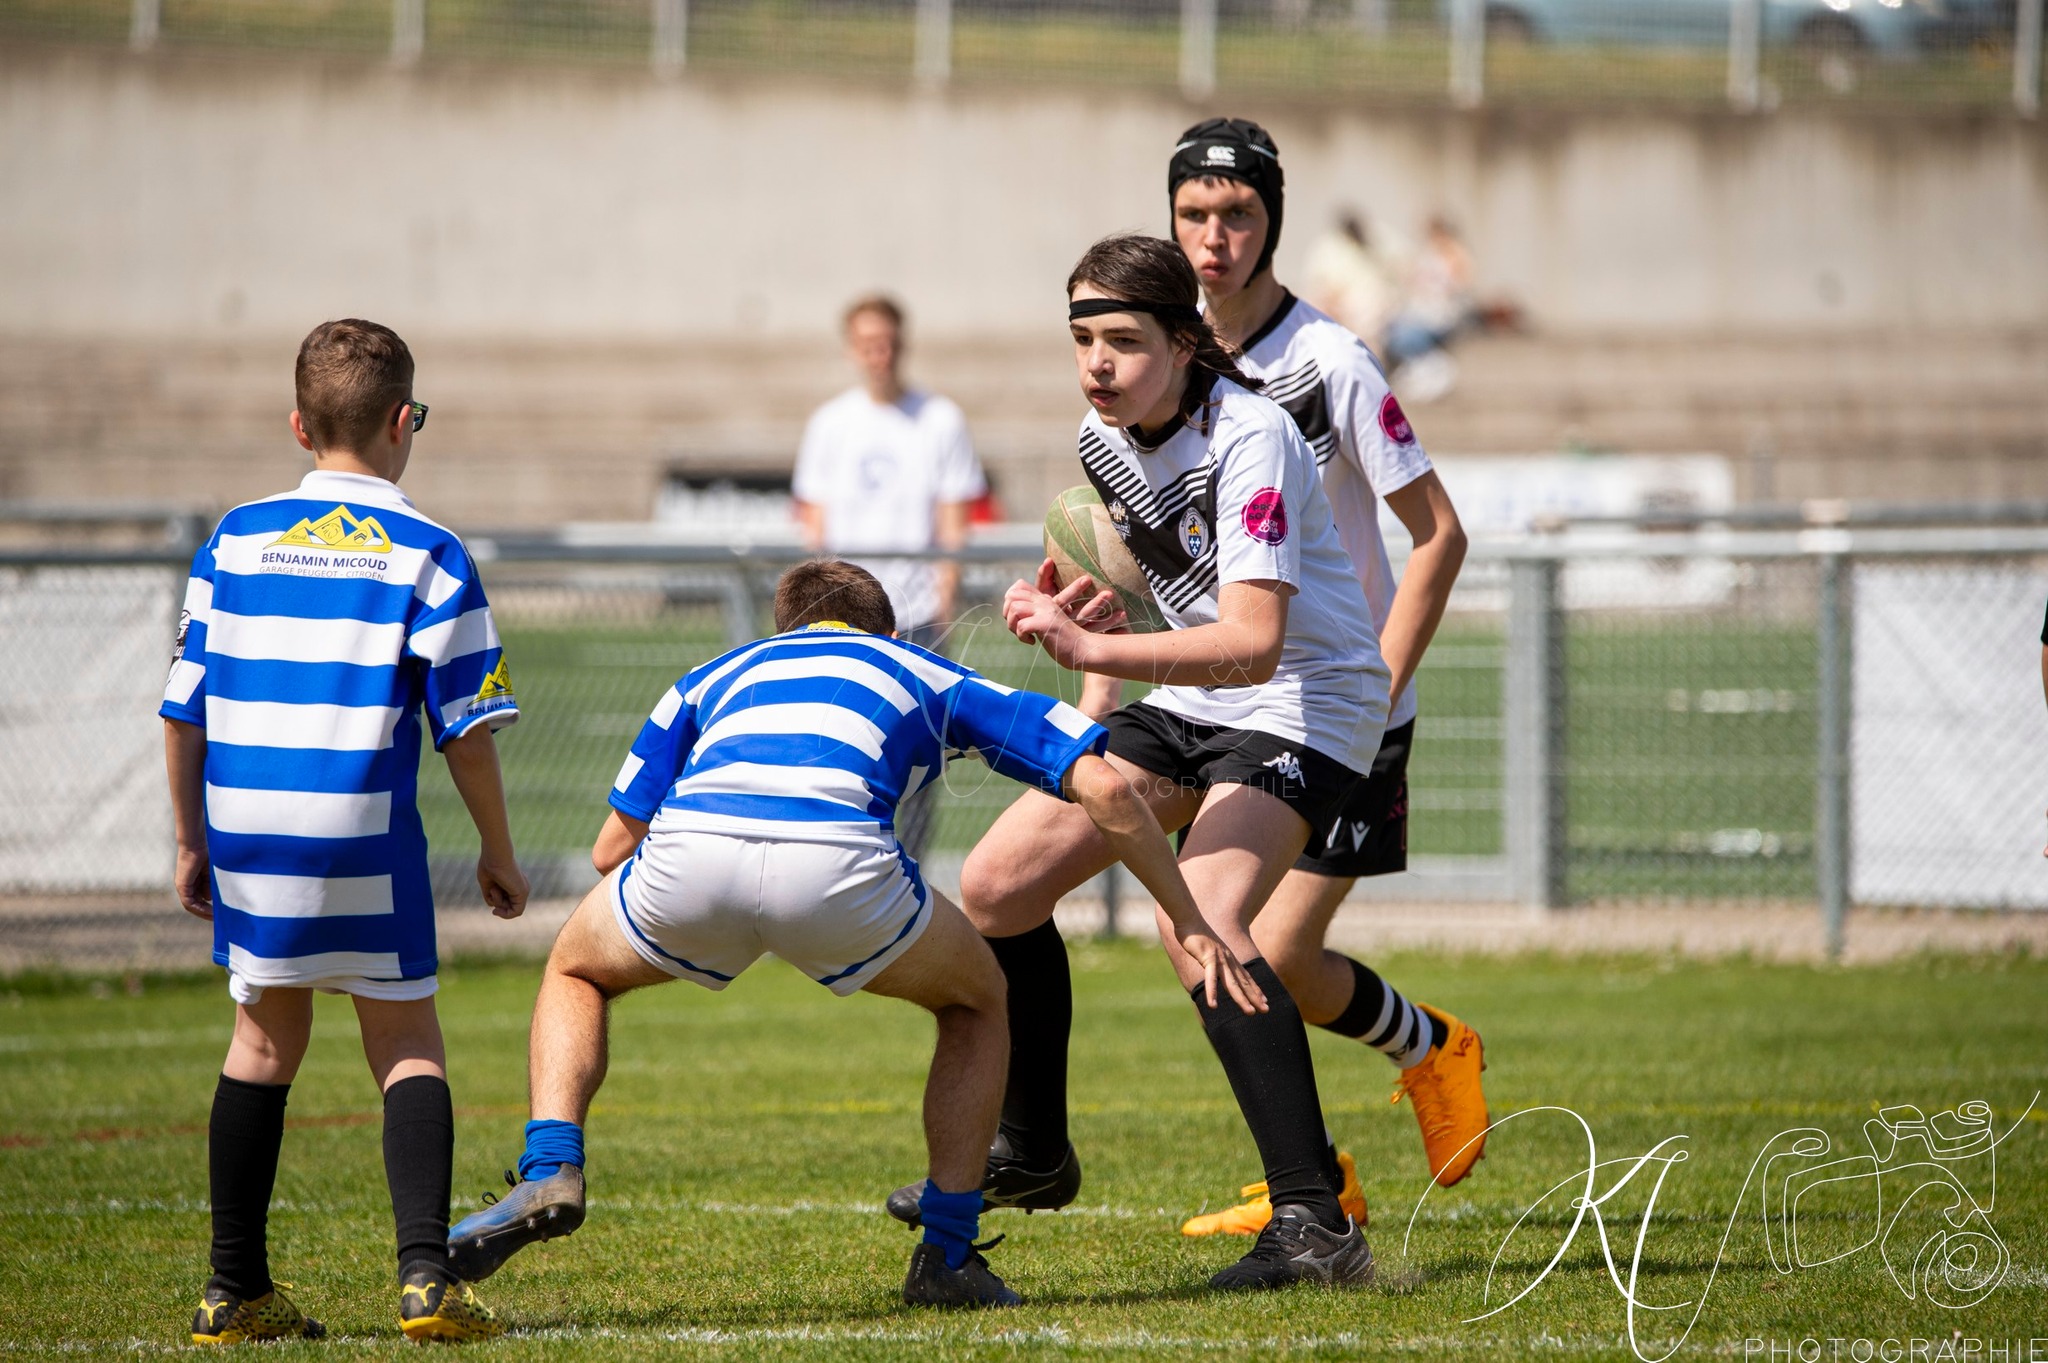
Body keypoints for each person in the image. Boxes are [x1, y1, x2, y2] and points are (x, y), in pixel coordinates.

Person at [446, 560, 1261, 1309]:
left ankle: (552, 1163)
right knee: (980, 998)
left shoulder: (711, 675)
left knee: (577, 970)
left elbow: (608, 850)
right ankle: (946, 1255)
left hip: (691, 851)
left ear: (783, 630)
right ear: (889, 632)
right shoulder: (918, 666)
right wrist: (1190, 918)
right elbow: (1105, 788)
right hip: (838, 863)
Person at [887, 232, 1387, 1292]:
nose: (1096, 362)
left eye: (1122, 339)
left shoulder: (1250, 433)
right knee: (995, 884)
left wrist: (1093, 649)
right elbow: (1182, 594)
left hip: (1310, 699)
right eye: (1080, 338)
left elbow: (1253, 638)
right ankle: (1033, 1150)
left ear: (1185, 340)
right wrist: (1095, 620)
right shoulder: (1101, 437)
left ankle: (1312, 1222)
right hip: (1197, 693)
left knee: (1201, 911)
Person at [1111, 117, 1487, 1238]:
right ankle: (1322, 1170)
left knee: (1247, 949)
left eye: (1235, 214)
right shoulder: (1164, 361)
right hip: (1226, 698)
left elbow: (1438, 535)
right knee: (1238, 949)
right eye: (1192, 215)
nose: (1213, 236)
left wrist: (1374, 683)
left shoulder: (1328, 363)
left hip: (1334, 701)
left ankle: (1406, 1081)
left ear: (1272, 217)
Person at [161, 319, 527, 1344]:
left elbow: (181, 708)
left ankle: (233, 1289)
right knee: (405, 1037)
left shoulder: (232, 538)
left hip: (246, 823)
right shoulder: (430, 550)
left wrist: (190, 839)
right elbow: (465, 728)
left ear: (296, 425)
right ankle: (424, 1280)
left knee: (262, 1037)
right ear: (405, 421)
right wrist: (496, 850)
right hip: (359, 824)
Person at [793, 295, 988, 862]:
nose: (879, 354)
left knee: (918, 755)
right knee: (838, 745)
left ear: (902, 343)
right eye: (867, 343)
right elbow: (815, 525)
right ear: (852, 348)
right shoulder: (831, 423)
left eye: (888, 342)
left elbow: (954, 521)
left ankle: (910, 872)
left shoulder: (940, 418)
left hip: (918, 614)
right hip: (843, 618)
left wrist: (941, 607)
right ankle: (839, 862)